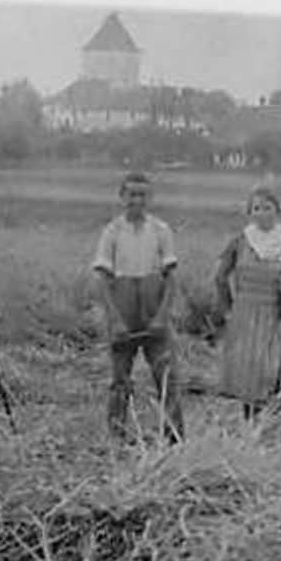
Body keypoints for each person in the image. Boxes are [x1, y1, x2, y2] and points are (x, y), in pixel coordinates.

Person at [91, 172, 184, 443]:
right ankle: (117, 439)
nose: (137, 200)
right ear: (122, 197)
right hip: (123, 306)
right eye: (131, 194)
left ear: (150, 198)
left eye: (142, 195)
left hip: (153, 306)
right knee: (120, 379)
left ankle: (174, 439)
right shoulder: (111, 231)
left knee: (167, 378)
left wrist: (162, 317)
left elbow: (171, 278)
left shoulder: (161, 230)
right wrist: (116, 320)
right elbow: (103, 281)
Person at [214, 184, 281, 418]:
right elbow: (219, 275)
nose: (262, 212)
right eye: (256, 208)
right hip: (245, 312)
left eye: (267, 207)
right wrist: (226, 307)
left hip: (277, 311)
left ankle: (270, 422)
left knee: (271, 368)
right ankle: (251, 426)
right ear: (250, 212)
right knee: (248, 370)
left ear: (278, 211)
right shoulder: (241, 240)